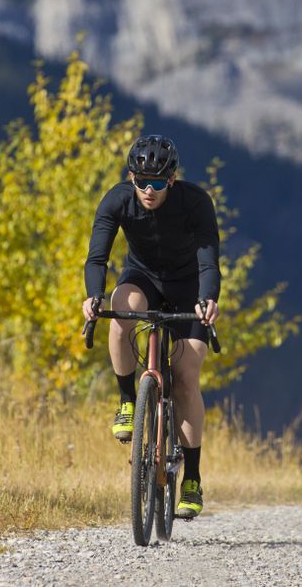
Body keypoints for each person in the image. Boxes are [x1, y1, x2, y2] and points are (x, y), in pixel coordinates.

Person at [82, 134, 220, 520]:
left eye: (157, 183)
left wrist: (208, 300)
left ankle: (191, 479)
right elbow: (97, 257)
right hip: (142, 278)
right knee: (120, 311)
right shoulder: (117, 200)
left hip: (187, 285)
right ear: (131, 177)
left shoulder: (195, 203)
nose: (148, 189)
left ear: (171, 181)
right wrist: (93, 297)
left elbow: (210, 262)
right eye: (141, 181)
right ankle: (128, 400)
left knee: (188, 377)